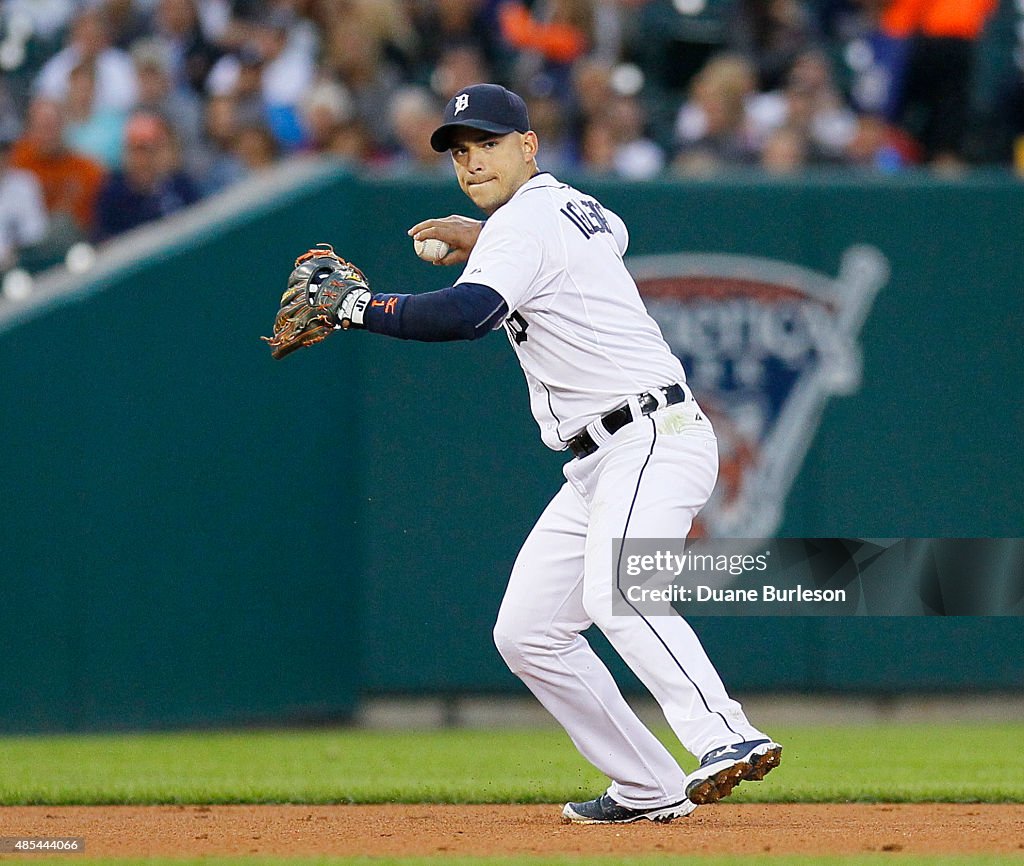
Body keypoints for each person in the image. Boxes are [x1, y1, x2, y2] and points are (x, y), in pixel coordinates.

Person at [298, 83, 782, 823]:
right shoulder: (568, 206)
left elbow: (464, 316)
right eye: (461, 152)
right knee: (527, 632)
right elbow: (610, 233)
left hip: (649, 436)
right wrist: (479, 231)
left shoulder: (525, 222)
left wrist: (357, 307)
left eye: (488, 144)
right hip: (603, 456)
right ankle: (648, 786)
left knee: (618, 593)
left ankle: (727, 735)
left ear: (528, 146)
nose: (472, 161)